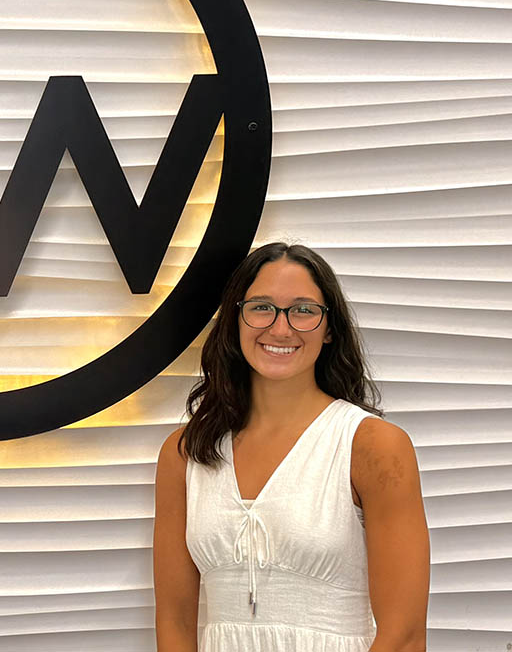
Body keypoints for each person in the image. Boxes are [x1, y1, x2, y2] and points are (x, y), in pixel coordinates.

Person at [154, 242, 430, 651]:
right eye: (261, 307)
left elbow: (404, 637)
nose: (280, 329)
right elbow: (173, 624)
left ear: (329, 327)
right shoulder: (186, 452)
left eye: (303, 310)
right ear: (235, 320)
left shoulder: (372, 446)